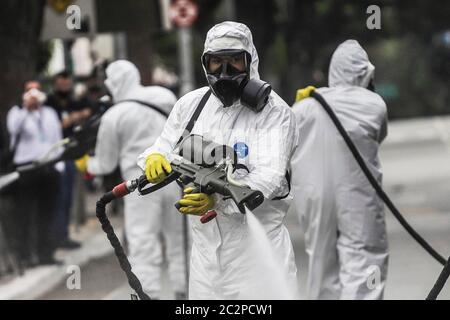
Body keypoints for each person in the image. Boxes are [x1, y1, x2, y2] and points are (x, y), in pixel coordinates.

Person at [138, 21, 299, 300]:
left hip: (257, 258)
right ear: (205, 63)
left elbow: (269, 178)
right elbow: (164, 146)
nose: (224, 71)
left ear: (250, 60)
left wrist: (219, 201)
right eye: (216, 62)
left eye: (234, 61)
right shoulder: (191, 105)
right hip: (205, 261)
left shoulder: (274, 113)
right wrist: (153, 158)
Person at [75, 60, 187, 300]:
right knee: (178, 239)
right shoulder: (163, 95)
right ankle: (183, 293)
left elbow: (105, 163)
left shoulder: (114, 115)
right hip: (173, 179)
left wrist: (86, 164)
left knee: (143, 241)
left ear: (114, 83)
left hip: (138, 187)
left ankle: (149, 295)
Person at [290, 40, 389, 300]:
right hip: (357, 196)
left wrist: (300, 106)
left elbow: (285, 138)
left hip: (314, 198)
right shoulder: (374, 104)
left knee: (322, 264)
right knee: (365, 259)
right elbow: (377, 136)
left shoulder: (304, 107)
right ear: (365, 73)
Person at [6, 81, 64, 266]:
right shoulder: (17, 114)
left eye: (36, 90)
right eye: (29, 91)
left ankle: (45, 253)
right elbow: (13, 131)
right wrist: (26, 110)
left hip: (48, 166)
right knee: (26, 213)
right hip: (27, 168)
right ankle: (25, 256)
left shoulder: (49, 113)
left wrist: (58, 166)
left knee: (46, 212)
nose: (34, 94)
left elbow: (57, 139)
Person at [46, 71, 90, 250]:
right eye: (61, 85)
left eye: (67, 85)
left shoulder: (73, 102)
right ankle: (55, 235)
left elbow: (88, 108)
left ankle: (63, 233)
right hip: (54, 155)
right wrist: (70, 119)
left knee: (67, 197)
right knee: (58, 196)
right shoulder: (49, 104)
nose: (64, 88)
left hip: (70, 154)